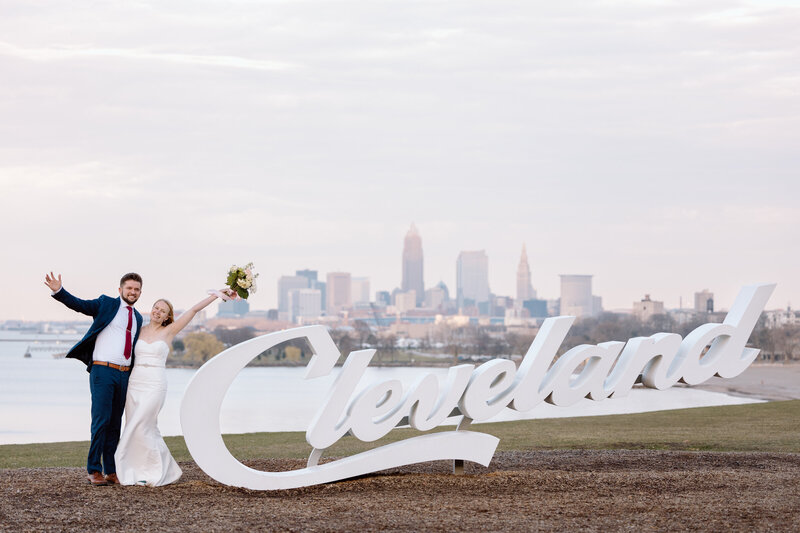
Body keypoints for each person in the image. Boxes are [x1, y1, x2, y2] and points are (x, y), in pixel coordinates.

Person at [114, 290, 232, 487]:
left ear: (168, 317)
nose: (158, 312)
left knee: (142, 425)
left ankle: (157, 471)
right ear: (151, 310)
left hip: (155, 383)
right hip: (134, 383)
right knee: (136, 426)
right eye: (156, 308)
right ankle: (136, 470)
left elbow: (193, 310)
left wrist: (217, 295)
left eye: (163, 311)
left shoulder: (169, 331)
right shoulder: (138, 330)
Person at [45, 271, 144, 487]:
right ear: (120, 290)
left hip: (124, 374)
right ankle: (94, 469)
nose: (132, 292)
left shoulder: (138, 317)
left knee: (115, 424)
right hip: (103, 371)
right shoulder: (106, 304)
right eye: (129, 288)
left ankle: (111, 470)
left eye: (136, 289)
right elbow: (79, 305)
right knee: (101, 421)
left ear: (140, 293)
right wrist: (59, 291)